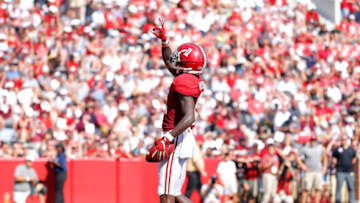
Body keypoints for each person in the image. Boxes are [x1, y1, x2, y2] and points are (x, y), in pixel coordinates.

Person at [149, 17, 207, 203]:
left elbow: (190, 117)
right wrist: (165, 43)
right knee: (174, 191)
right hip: (182, 135)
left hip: (177, 135)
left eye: (181, 57)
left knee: (166, 193)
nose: (176, 58)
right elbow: (170, 63)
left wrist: (168, 138)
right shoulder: (189, 77)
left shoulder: (184, 81)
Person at [299, 135, 328, 203]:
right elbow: (297, 156)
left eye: (314, 141)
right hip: (309, 172)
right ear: (310, 141)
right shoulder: (305, 149)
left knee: (318, 189)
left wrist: (324, 167)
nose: (313, 142)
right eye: (312, 140)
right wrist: (302, 165)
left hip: (318, 171)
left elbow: (325, 157)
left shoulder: (320, 148)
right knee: (306, 189)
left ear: (316, 141)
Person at [332, 135, 356, 203]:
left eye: (345, 139)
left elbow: (354, 159)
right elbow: (333, 158)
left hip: (350, 171)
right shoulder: (338, 149)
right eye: (342, 139)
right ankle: (338, 201)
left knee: (351, 188)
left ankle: (352, 201)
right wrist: (337, 163)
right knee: (339, 188)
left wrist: (349, 164)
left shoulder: (351, 149)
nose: (343, 141)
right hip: (340, 171)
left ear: (347, 140)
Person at [261, 138, 280, 203]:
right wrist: (270, 163)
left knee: (273, 193)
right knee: (267, 193)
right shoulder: (265, 156)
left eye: (273, 149)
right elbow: (263, 167)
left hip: (274, 176)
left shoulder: (276, 157)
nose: (272, 150)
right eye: (270, 149)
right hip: (268, 175)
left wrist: (277, 173)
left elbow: (277, 167)